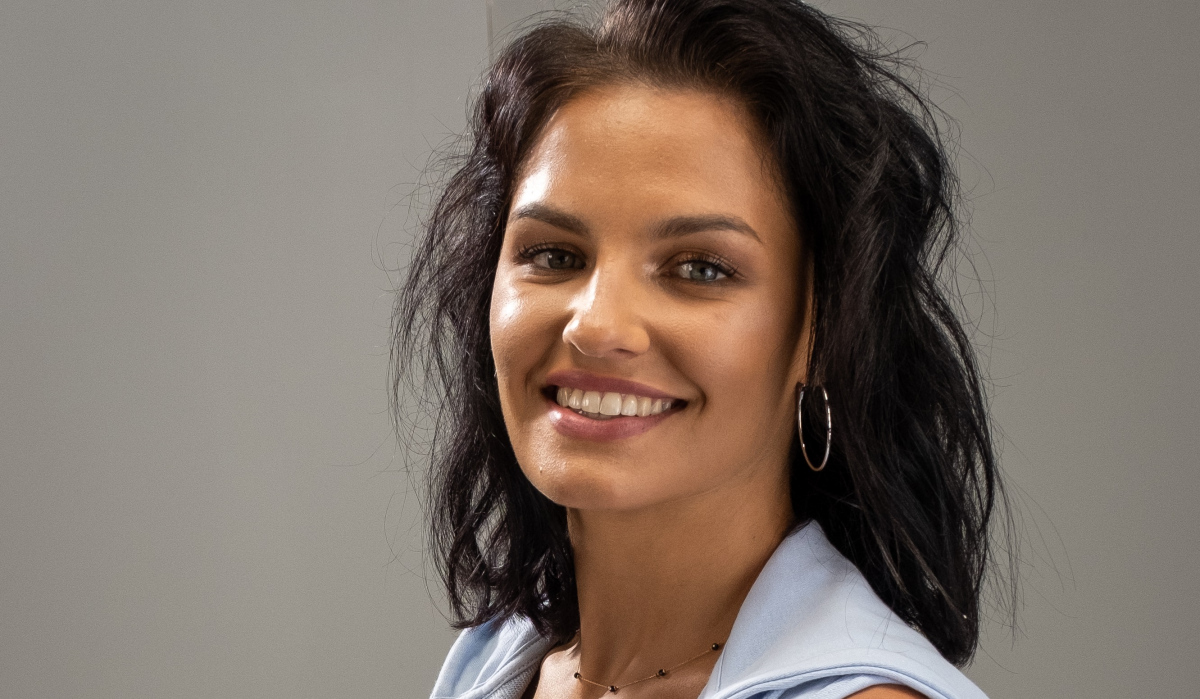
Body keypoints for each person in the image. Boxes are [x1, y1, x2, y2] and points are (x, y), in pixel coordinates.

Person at [392, 1, 1009, 697]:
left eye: (700, 268)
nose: (596, 325)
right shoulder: (494, 661)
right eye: (554, 255)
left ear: (827, 328)